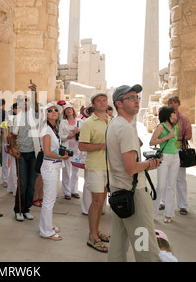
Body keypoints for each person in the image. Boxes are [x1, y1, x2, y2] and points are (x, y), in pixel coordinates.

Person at [106, 84, 162, 262]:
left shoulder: (115, 124)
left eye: (137, 97)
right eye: (131, 98)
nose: (136, 100)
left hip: (118, 190)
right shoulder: (125, 128)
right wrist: (150, 164)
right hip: (133, 193)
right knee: (145, 247)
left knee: (118, 241)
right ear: (119, 103)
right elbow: (131, 168)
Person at [78, 93, 111, 253]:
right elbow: (82, 146)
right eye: (99, 101)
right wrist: (102, 146)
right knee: (97, 201)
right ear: (93, 105)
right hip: (95, 166)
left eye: (104, 100)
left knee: (102, 201)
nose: (102, 103)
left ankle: (97, 230)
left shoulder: (111, 120)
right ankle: (92, 236)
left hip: (109, 167)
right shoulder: (89, 123)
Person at [9, 80, 41, 222]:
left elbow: (35, 105)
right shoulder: (16, 118)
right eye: (23, 101)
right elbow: (12, 136)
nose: (26, 103)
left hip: (34, 154)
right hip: (21, 154)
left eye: (27, 101)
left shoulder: (34, 116)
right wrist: (13, 149)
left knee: (31, 184)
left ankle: (27, 209)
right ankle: (19, 210)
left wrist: (33, 91)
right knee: (22, 183)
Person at [38, 103, 69, 241]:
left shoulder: (53, 129)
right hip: (50, 166)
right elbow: (47, 152)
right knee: (48, 200)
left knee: (51, 198)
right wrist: (62, 156)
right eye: (50, 111)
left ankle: (47, 226)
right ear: (46, 114)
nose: (53, 112)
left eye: (56, 110)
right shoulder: (46, 130)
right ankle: (45, 231)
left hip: (54, 166)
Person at [150, 106, 179, 223]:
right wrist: (166, 137)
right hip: (164, 157)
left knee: (171, 186)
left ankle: (169, 214)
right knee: (161, 186)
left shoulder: (174, 127)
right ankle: (153, 213)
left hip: (175, 157)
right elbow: (152, 142)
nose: (176, 115)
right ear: (169, 114)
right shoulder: (161, 127)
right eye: (174, 113)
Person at [168, 96, 192, 215]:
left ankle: (182, 205)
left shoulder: (184, 118)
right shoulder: (165, 118)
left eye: (175, 102)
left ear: (178, 104)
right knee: (166, 178)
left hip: (179, 151)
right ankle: (163, 202)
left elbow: (188, 136)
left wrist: (176, 138)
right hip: (167, 151)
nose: (173, 105)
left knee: (180, 179)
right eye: (171, 103)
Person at [59, 102, 81, 200]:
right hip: (67, 149)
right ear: (64, 112)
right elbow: (60, 136)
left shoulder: (80, 121)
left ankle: (74, 190)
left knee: (75, 171)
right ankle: (66, 192)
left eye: (70, 109)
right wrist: (71, 135)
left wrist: (79, 131)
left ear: (73, 110)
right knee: (66, 170)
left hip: (77, 149)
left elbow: (85, 133)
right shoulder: (63, 122)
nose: (69, 111)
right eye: (66, 110)